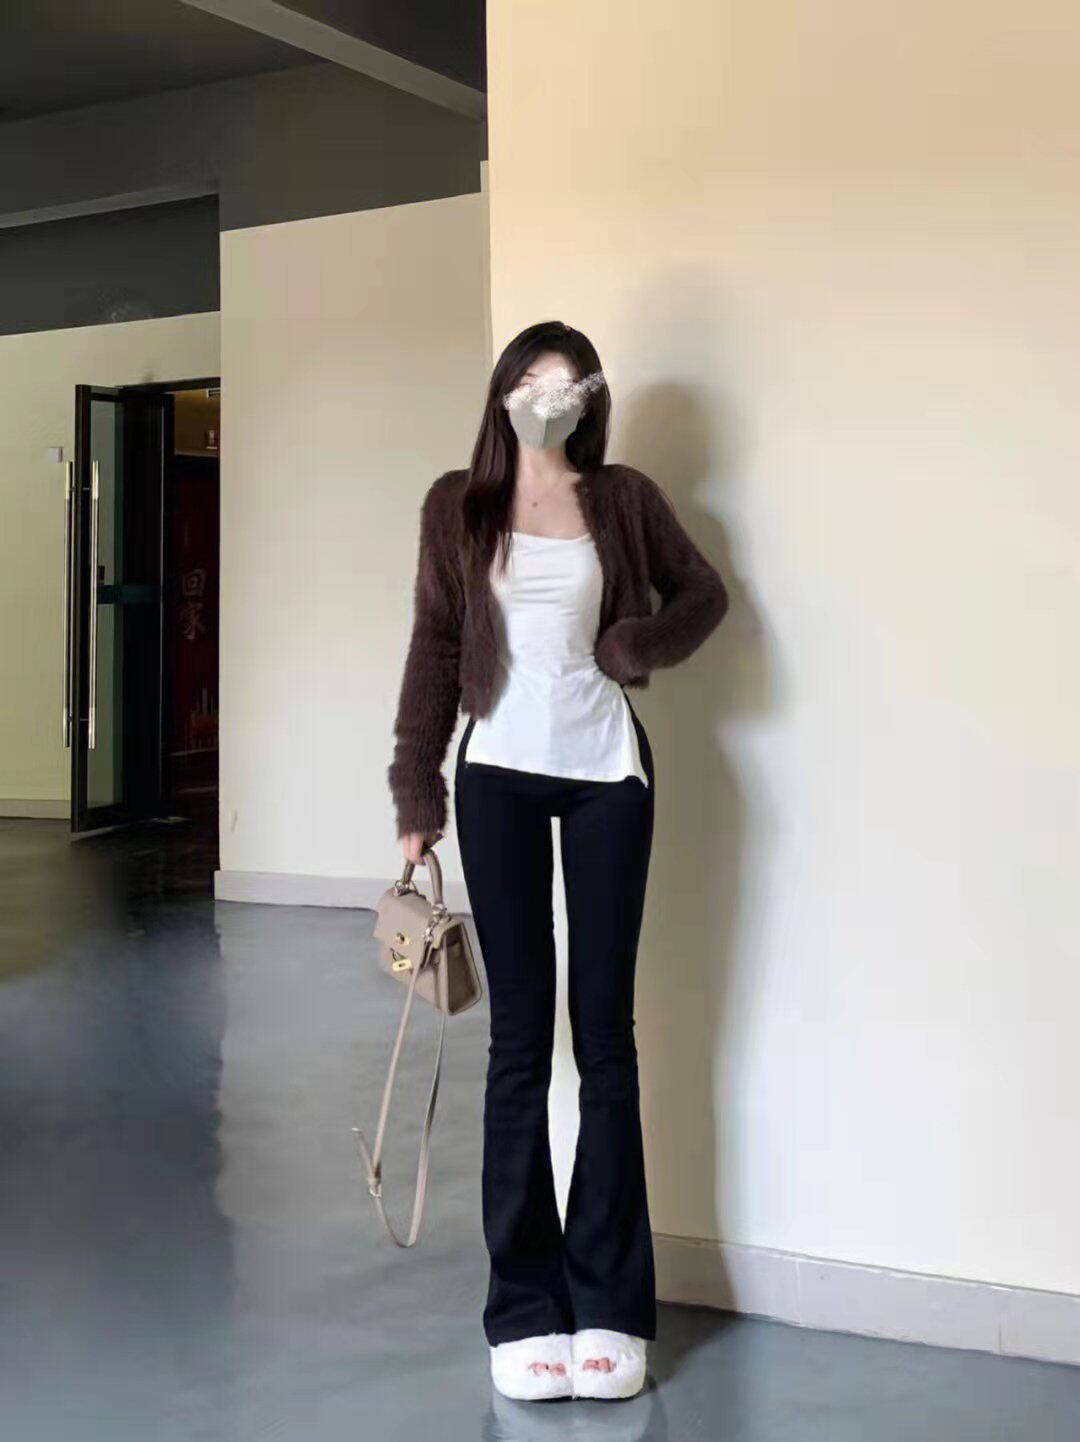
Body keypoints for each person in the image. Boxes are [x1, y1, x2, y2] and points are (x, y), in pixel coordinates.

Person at [386, 320, 729, 1401]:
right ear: (503, 393)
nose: (549, 399)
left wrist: (635, 645)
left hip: (606, 775)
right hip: (497, 776)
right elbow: (436, 646)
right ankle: (526, 1306)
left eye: (568, 385)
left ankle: (611, 1304)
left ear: (589, 401)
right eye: (532, 381)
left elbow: (703, 595)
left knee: (607, 1039)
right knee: (520, 1045)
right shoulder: (459, 505)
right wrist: (417, 793)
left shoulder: (623, 498)